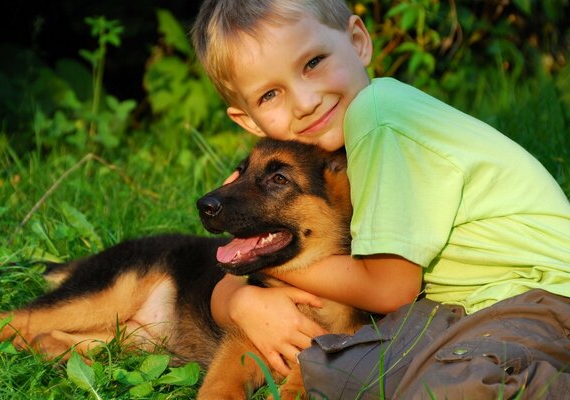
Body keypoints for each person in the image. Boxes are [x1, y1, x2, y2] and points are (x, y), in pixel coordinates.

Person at [191, 0, 570, 398]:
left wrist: (263, 259)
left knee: (448, 387)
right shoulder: (341, 151)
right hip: (465, 306)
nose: (304, 102)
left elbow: (389, 290)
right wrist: (240, 297)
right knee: (334, 368)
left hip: (541, 294)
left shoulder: (377, 118)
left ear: (357, 42)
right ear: (248, 121)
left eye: (313, 62)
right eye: (270, 94)